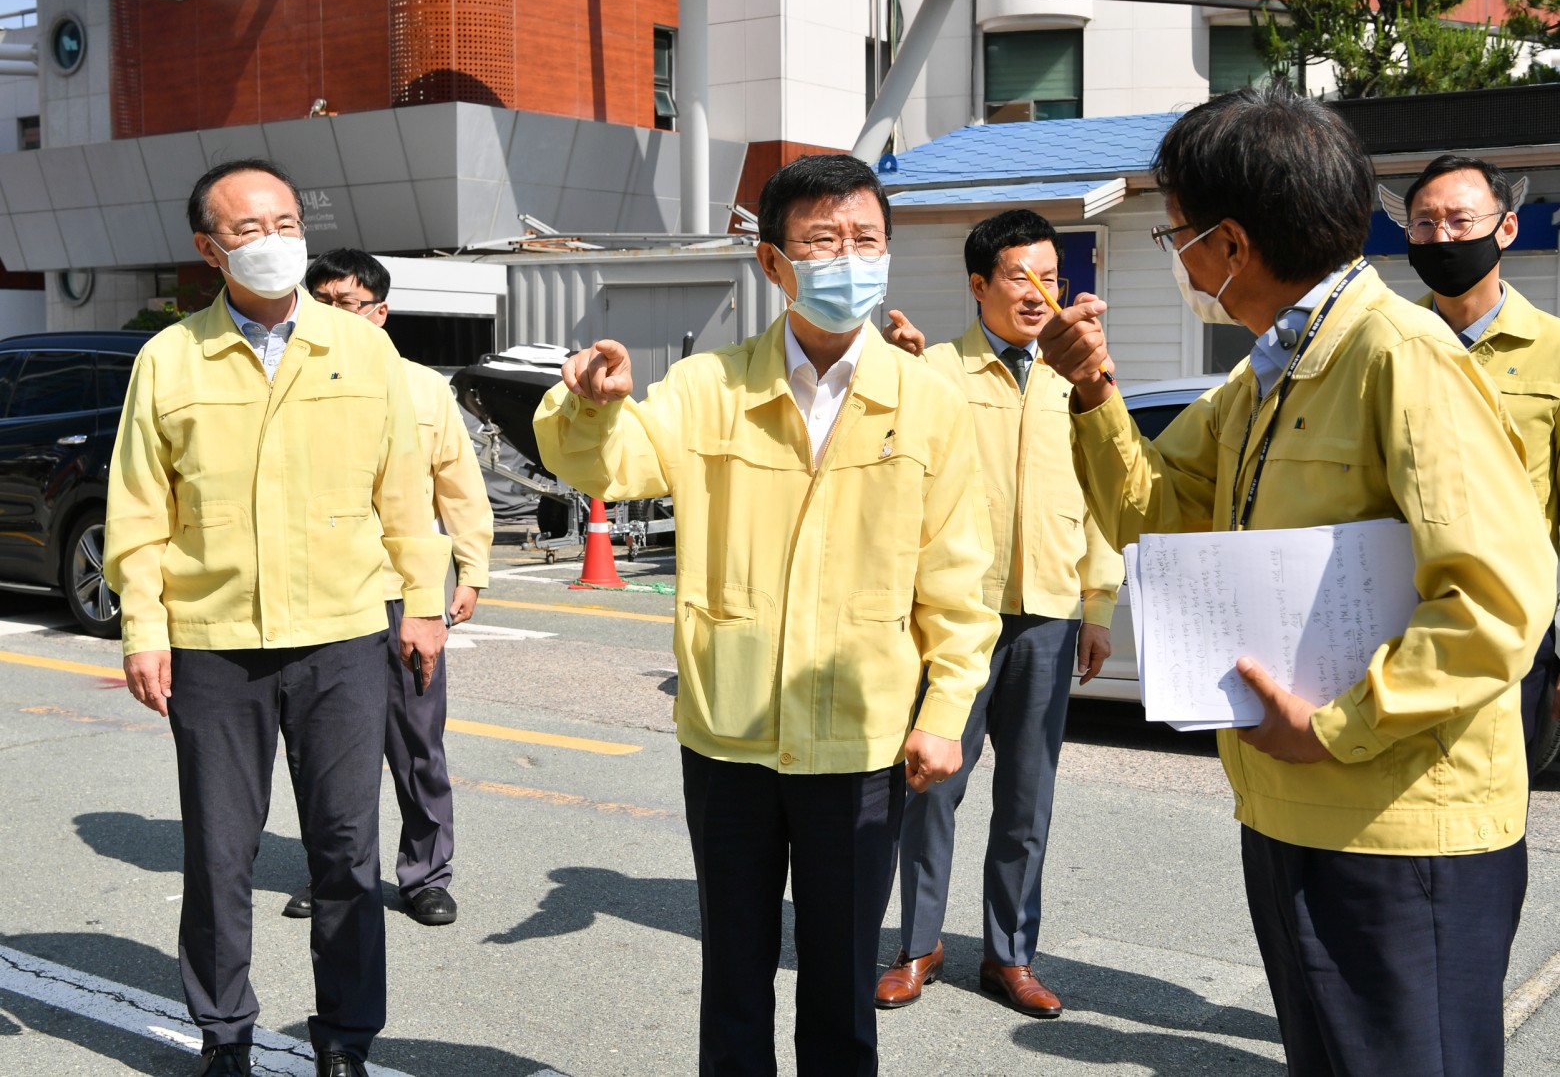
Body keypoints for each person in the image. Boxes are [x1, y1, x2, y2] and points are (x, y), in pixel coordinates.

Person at [1036, 85, 1555, 1077]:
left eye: (1179, 233)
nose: (1179, 257)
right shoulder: (1268, 372)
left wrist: (1336, 726)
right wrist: (1095, 393)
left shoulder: (1402, 358)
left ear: (1232, 244)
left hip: (1400, 830)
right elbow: (1154, 514)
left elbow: (1498, 599)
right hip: (1290, 805)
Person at [533, 153, 999, 1075]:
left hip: (860, 743)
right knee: (735, 979)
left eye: (866, 239)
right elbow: (606, 464)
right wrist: (588, 406)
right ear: (773, 263)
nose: (848, 259)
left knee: (839, 986)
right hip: (729, 740)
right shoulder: (708, 387)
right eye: (822, 241)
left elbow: (959, 579)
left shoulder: (929, 403)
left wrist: (945, 712)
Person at [105, 160, 451, 1077]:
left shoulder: (361, 349)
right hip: (214, 644)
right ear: (208, 248)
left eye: (287, 222)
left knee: (346, 849)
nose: (274, 241)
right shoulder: (169, 359)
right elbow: (137, 510)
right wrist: (144, 629)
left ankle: (345, 1038)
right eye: (249, 228)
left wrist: (424, 604)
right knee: (220, 853)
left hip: (344, 634)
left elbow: (405, 492)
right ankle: (225, 1035)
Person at [874, 210, 1120, 1018]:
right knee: (930, 788)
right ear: (979, 285)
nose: (1038, 292)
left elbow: (1104, 497)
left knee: (1027, 798)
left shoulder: (1076, 375)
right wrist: (897, 374)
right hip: (956, 617)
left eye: (1050, 276)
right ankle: (918, 944)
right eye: (1020, 276)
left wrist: (1097, 603)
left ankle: (1010, 955)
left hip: (1049, 614)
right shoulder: (936, 370)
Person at [276, 249, 494, 927]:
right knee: (327, 748)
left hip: (407, 592)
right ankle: (336, 871)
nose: (335, 315)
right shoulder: (288, 381)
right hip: (327, 592)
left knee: (416, 743)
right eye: (322, 302)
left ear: (380, 312)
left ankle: (425, 875)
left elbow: (459, 486)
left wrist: (472, 570)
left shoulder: (423, 389)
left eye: (348, 304)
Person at [1399, 154, 1560, 766]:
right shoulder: (1386, 343)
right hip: (1398, 620)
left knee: (1497, 798)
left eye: (1460, 221)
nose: (1441, 238)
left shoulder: (1553, 350)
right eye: (1424, 223)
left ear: (1506, 228)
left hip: (1514, 632)